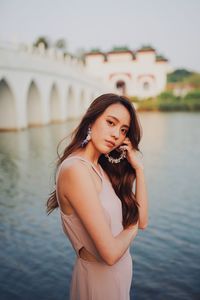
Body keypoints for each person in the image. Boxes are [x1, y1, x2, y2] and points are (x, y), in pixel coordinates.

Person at [46, 93, 148, 300]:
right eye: (110, 123)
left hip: (118, 278)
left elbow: (143, 221)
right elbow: (109, 254)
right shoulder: (75, 169)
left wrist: (138, 170)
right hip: (99, 283)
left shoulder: (100, 168)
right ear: (91, 120)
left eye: (123, 130)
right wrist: (133, 224)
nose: (116, 135)